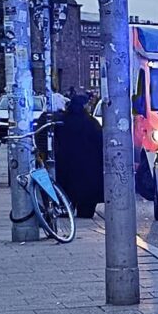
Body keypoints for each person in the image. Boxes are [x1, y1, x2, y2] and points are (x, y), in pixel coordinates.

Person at [51, 90, 104, 220]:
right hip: (88, 167)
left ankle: (66, 208)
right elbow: (100, 143)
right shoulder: (91, 123)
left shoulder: (62, 122)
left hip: (65, 165)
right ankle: (85, 210)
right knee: (86, 202)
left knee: (66, 191)